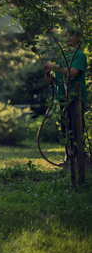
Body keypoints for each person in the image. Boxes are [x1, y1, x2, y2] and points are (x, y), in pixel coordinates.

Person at [43, 28, 87, 161]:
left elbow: (73, 73)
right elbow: (59, 77)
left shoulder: (80, 55)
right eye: (65, 36)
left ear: (78, 38)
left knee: (76, 128)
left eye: (70, 35)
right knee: (65, 129)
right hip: (63, 98)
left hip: (75, 98)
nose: (67, 38)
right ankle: (69, 158)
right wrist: (50, 80)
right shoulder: (61, 57)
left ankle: (80, 159)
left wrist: (54, 67)